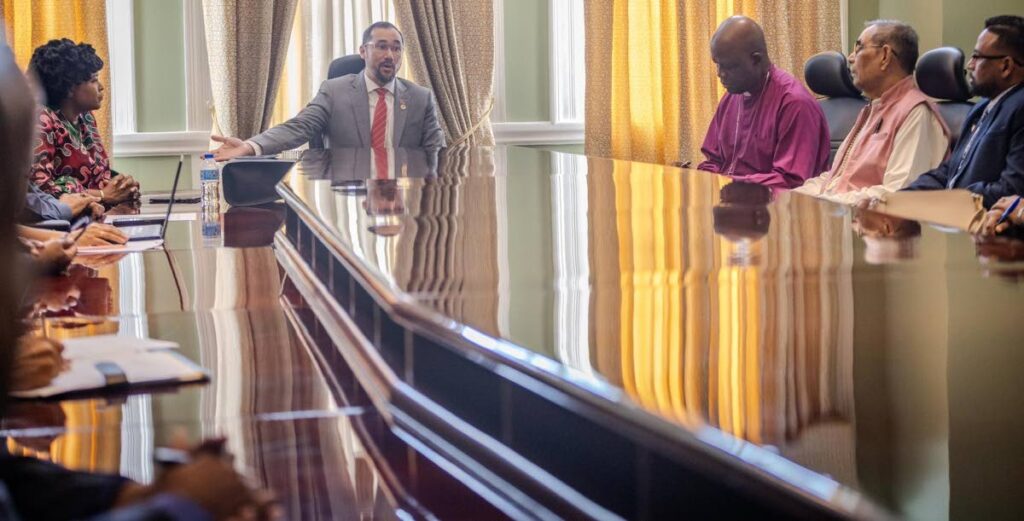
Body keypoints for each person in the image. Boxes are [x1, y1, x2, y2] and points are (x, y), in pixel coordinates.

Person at [1, 39, 275, 521]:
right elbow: (38, 201)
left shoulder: (83, 123)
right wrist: (175, 509)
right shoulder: (47, 127)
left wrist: (136, 496)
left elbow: (14, 483)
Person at [212, 22, 446, 161]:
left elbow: (437, 154)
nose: (390, 56)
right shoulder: (335, 91)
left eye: (397, 49)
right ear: (363, 51)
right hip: (345, 198)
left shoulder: (420, 98)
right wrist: (249, 146)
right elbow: (298, 127)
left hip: (402, 199)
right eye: (381, 47)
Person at [799, 21, 950, 204]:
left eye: (859, 48)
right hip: (842, 216)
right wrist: (792, 197)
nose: (850, 58)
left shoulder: (916, 112)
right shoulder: (873, 108)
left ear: (885, 56)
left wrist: (828, 203)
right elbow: (835, 178)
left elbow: (897, 194)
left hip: (870, 226)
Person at [697, 16, 830, 190]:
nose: (720, 74)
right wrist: (699, 179)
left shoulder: (794, 103)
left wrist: (729, 184)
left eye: (729, 67)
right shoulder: (731, 97)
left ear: (756, 59)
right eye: (717, 65)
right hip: (733, 204)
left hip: (776, 210)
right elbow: (713, 161)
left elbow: (790, 180)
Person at [903, 15, 1024, 206]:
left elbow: (1011, 190)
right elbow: (950, 171)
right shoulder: (982, 106)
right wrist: (901, 197)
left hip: (991, 229)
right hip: (956, 219)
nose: (970, 65)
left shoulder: (1019, 108)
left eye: (977, 57)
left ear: (1006, 66)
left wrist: (949, 199)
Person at [28, 39, 139, 204]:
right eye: (94, 80)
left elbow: (99, 173)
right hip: (60, 224)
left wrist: (121, 186)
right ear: (70, 87)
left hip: (92, 215)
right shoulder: (41, 120)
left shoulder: (85, 117)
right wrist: (103, 195)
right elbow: (39, 190)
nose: (101, 87)